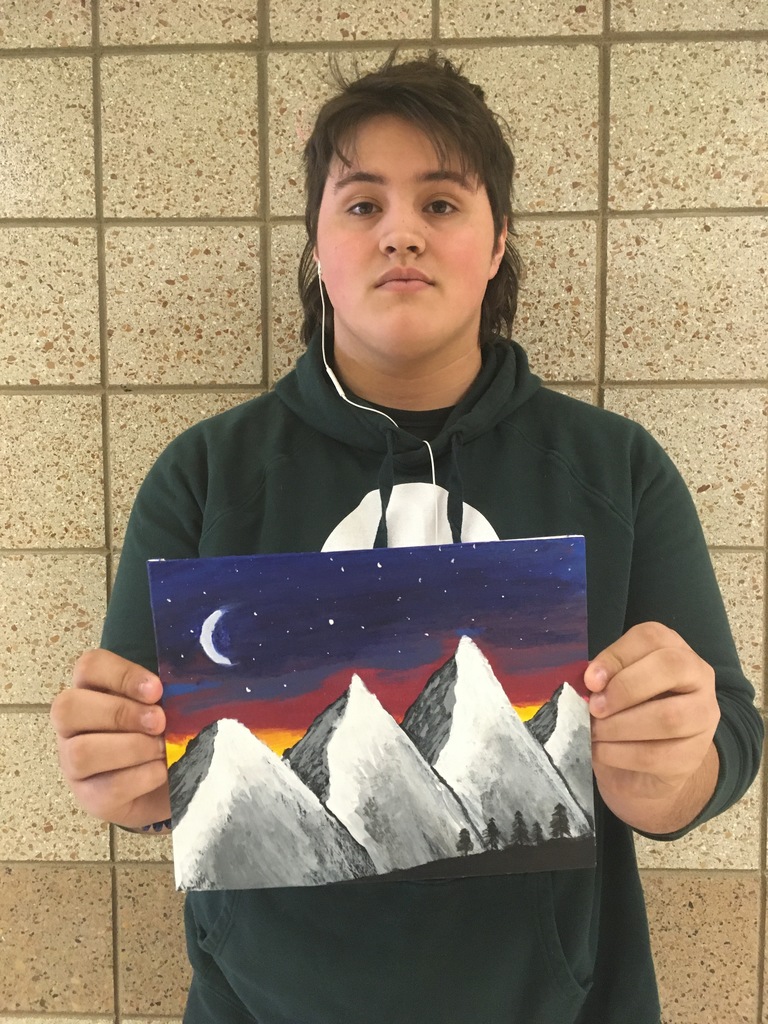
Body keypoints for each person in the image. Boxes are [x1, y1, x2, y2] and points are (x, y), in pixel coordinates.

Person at [51, 51, 762, 1023]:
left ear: (498, 239)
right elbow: (144, 752)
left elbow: (730, 735)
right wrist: (117, 763)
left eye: (440, 203)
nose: (400, 234)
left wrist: (681, 767)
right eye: (361, 205)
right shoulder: (205, 475)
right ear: (314, 240)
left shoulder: (617, 469)